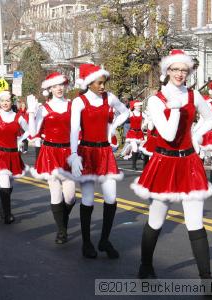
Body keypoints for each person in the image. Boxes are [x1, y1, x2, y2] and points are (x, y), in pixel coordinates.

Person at [131, 49, 212, 279]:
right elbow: (168, 134)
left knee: (195, 222)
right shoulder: (155, 100)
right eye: (175, 69)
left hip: (189, 161)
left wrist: (196, 135)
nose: (180, 73)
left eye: (184, 69)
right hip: (165, 162)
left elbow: (211, 119)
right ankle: (145, 265)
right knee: (157, 219)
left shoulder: (194, 95)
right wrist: (176, 108)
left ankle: (206, 278)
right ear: (167, 70)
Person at [60, 63, 128, 259]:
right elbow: (74, 130)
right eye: (98, 83)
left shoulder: (110, 98)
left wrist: (112, 127)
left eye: (103, 82)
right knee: (88, 198)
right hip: (87, 151)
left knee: (111, 198)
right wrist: (73, 155)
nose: (102, 86)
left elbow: (125, 112)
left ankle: (104, 240)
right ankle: (86, 242)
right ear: (89, 83)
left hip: (105, 152)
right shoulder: (79, 102)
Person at [27, 72, 76, 244]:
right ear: (50, 88)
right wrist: (31, 113)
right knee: (56, 194)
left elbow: (79, 129)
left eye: (61, 85)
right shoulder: (44, 108)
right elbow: (33, 133)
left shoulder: (72, 105)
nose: (59, 88)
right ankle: (62, 231)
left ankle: (62, 220)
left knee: (70, 197)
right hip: (50, 152)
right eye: (55, 86)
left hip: (69, 153)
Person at [0, 90, 29, 224]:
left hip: (14, 154)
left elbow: (30, 130)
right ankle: (8, 215)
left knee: (9, 185)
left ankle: (4, 209)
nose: (5, 103)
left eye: (8, 100)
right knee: (4, 182)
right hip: (0, 154)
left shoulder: (18, 117)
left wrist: (21, 139)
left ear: (11, 102)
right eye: (2, 100)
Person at [125, 100, 145, 170]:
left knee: (143, 149)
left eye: (140, 105)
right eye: (139, 105)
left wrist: (144, 125)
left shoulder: (142, 114)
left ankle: (145, 165)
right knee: (135, 148)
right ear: (135, 106)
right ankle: (134, 165)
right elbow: (126, 112)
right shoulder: (131, 113)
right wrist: (130, 107)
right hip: (132, 133)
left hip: (140, 133)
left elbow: (149, 118)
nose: (140, 107)